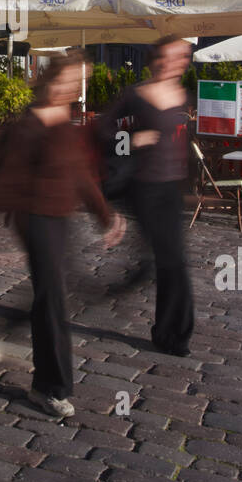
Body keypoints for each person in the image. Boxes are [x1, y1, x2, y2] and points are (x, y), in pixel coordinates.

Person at [0, 50, 125, 418]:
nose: (72, 88)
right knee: (54, 300)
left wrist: (104, 215)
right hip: (35, 219)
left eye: (78, 82)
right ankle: (50, 387)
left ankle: (18, 323)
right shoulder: (27, 125)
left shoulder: (65, 121)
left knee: (54, 294)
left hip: (61, 219)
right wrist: (16, 222)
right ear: (51, 79)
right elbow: (4, 180)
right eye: (67, 80)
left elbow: (80, 173)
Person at [99, 36, 194, 357]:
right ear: (156, 59)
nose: (178, 62)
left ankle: (169, 329)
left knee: (173, 261)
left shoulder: (182, 95)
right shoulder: (136, 94)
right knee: (173, 260)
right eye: (171, 56)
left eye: (183, 56)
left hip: (171, 188)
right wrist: (132, 139)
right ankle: (173, 334)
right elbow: (103, 132)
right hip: (143, 186)